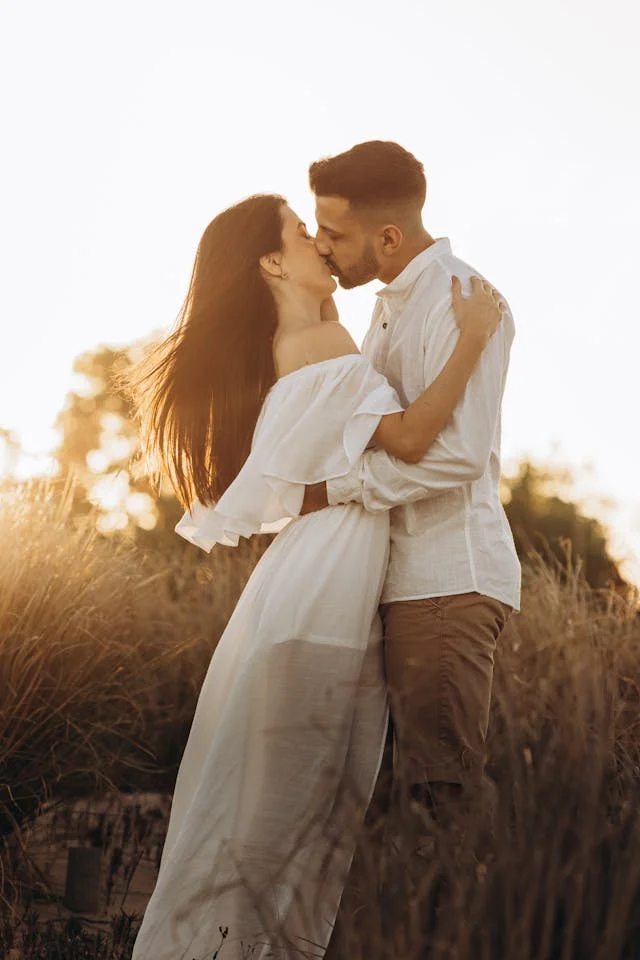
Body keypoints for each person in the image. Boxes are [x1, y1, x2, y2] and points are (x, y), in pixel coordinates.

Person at [126, 192, 504, 960]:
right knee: (287, 824)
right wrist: (472, 340)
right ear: (272, 261)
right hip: (324, 593)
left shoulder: (297, 344)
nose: (320, 244)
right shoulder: (324, 339)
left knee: (262, 815)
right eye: (303, 233)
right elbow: (410, 437)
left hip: (304, 585)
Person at [301, 141, 522, 879]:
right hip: (400, 583)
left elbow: (456, 456)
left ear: (388, 237)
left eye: (333, 233)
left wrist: (339, 491)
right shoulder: (386, 307)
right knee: (400, 800)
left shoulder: (467, 301)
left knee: (442, 798)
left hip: (445, 582)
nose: (321, 246)